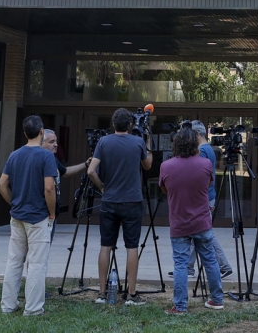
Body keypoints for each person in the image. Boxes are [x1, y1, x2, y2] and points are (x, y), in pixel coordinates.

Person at [88, 108, 153, 305]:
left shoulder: (104, 141)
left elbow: (91, 170)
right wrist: (148, 141)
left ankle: (102, 292)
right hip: (132, 201)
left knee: (105, 246)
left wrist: (101, 187)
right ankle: (131, 294)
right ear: (131, 125)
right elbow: (148, 165)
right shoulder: (137, 142)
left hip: (110, 200)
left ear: (113, 124)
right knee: (131, 247)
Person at [0, 114, 59, 317]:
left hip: (17, 216)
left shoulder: (14, 155)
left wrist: (14, 202)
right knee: (37, 264)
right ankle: (32, 309)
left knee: (14, 261)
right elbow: (49, 188)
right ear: (42, 132)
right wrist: (52, 213)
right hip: (38, 217)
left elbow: (1, 185)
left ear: (25, 133)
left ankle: (8, 305)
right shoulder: (46, 156)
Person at [160, 127, 225, 314]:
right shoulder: (205, 164)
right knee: (210, 260)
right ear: (195, 143)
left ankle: (180, 306)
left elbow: (165, 190)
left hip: (179, 222)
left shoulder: (167, 166)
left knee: (180, 264)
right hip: (202, 221)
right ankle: (217, 299)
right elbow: (208, 185)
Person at [190, 121, 234, 278]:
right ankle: (188, 267)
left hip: (204, 197)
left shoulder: (201, 151)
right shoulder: (208, 149)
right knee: (196, 232)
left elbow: (199, 177)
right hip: (208, 196)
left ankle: (224, 265)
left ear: (197, 134)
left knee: (205, 233)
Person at [43, 129, 88, 240]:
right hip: (42, 214)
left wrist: (86, 164)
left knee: (44, 249)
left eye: (56, 141)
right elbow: (49, 188)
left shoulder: (52, 158)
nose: (56, 145)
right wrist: (52, 213)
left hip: (50, 215)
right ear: (41, 143)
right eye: (51, 142)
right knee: (39, 252)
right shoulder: (40, 158)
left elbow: (65, 172)